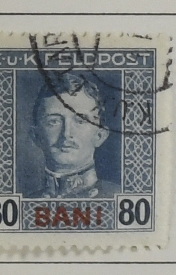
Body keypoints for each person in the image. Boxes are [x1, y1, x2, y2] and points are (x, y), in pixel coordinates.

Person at [23, 72, 118, 200]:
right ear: (36, 136)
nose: (66, 134)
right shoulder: (27, 202)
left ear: (100, 136)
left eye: (80, 121)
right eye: (54, 121)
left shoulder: (118, 196)